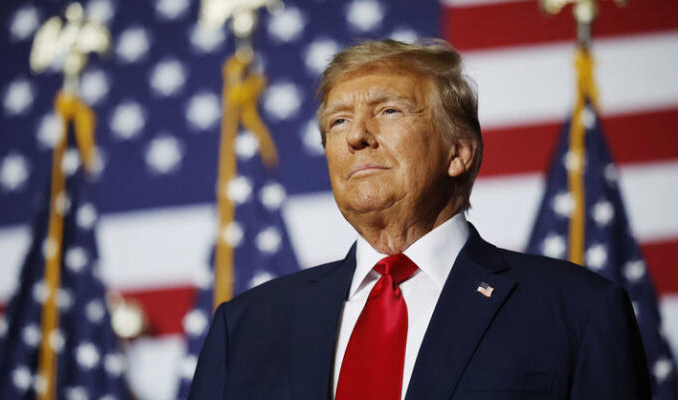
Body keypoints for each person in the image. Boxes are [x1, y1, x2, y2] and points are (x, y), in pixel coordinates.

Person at [187, 39, 651, 400]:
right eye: (338, 122)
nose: (358, 137)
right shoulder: (246, 327)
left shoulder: (578, 311)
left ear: (458, 152)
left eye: (388, 111)